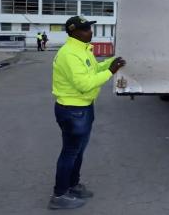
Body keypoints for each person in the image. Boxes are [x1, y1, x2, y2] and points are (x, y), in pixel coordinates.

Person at [48, 16, 126, 210]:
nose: (90, 32)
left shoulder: (82, 50)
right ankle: (59, 195)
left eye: (89, 28)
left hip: (83, 107)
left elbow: (93, 70)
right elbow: (84, 84)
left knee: (78, 151)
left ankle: (72, 185)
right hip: (73, 110)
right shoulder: (69, 54)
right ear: (73, 32)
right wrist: (111, 72)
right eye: (85, 29)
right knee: (70, 152)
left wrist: (109, 63)